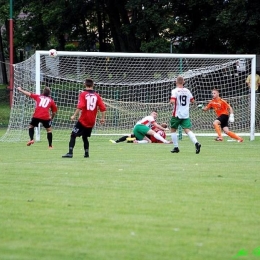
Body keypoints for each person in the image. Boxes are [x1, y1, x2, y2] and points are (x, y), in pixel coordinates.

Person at [62, 78, 106, 158]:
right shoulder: (97, 95)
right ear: (93, 85)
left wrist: (74, 115)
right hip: (92, 121)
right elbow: (103, 107)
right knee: (85, 137)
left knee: (73, 134)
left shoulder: (83, 94)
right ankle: (86, 153)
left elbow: (80, 106)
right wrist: (103, 118)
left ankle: (70, 153)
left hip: (83, 120)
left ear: (85, 85)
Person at [170, 76, 201, 154]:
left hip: (177, 114)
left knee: (173, 129)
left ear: (176, 82)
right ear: (183, 82)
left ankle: (176, 147)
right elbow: (193, 100)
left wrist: (171, 102)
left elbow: (173, 101)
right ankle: (196, 143)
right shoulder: (187, 91)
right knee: (187, 130)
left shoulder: (175, 91)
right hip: (185, 114)